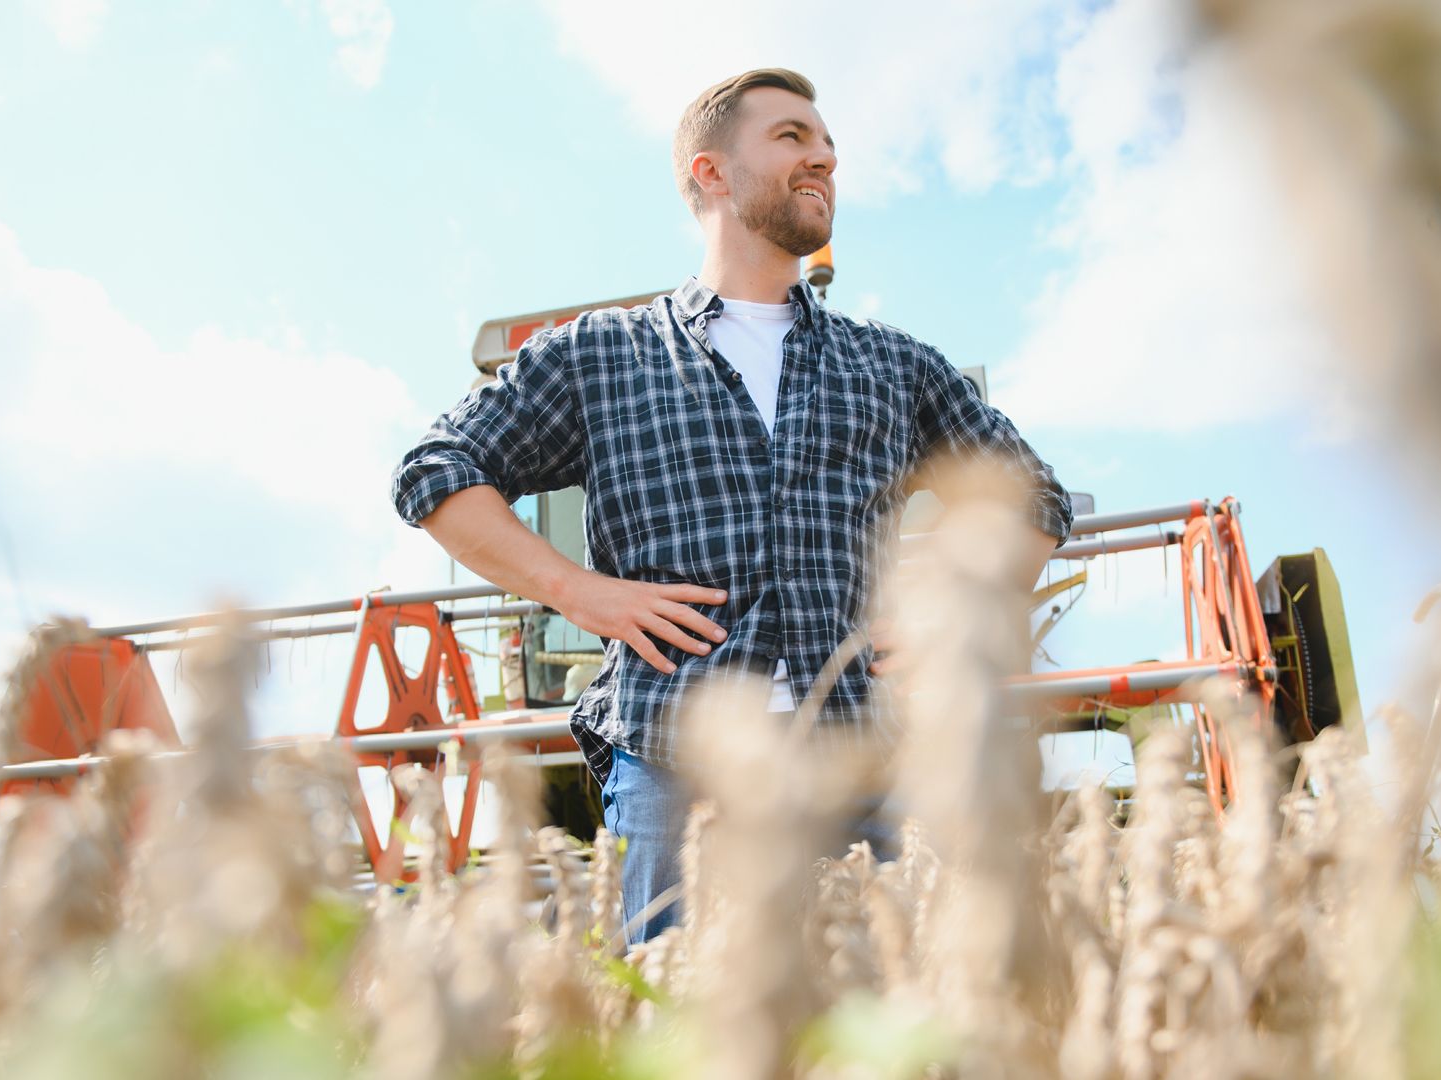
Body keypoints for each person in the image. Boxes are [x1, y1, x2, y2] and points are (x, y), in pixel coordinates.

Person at [391, 68, 1071, 945]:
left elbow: (1031, 497)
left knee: (912, 1011)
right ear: (709, 174)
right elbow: (435, 470)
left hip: (868, 756)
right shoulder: (601, 354)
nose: (823, 156)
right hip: (677, 760)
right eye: (792, 137)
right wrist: (579, 591)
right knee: (682, 1025)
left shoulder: (896, 367)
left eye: (827, 144)